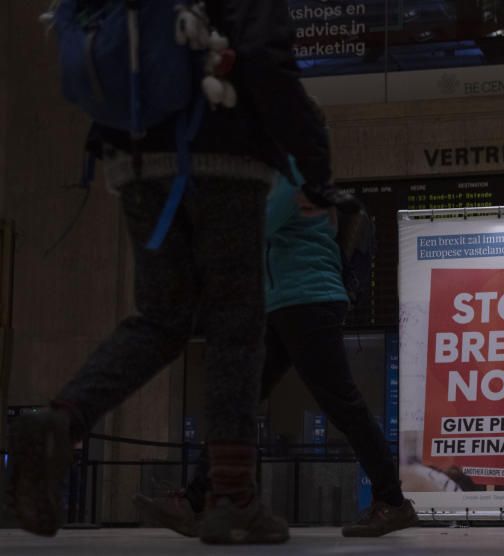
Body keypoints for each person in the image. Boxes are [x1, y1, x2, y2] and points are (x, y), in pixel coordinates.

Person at [9, 0, 355, 544]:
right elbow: (267, 61)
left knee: (161, 318)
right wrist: (315, 165)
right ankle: (233, 497)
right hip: (224, 158)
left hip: (135, 160)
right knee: (236, 328)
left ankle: (61, 419)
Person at [132, 159, 418, 538]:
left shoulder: (297, 171)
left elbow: (259, 225)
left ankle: (393, 501)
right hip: (284, 303)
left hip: (307, 300)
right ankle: (195, 500)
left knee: (341, 403)